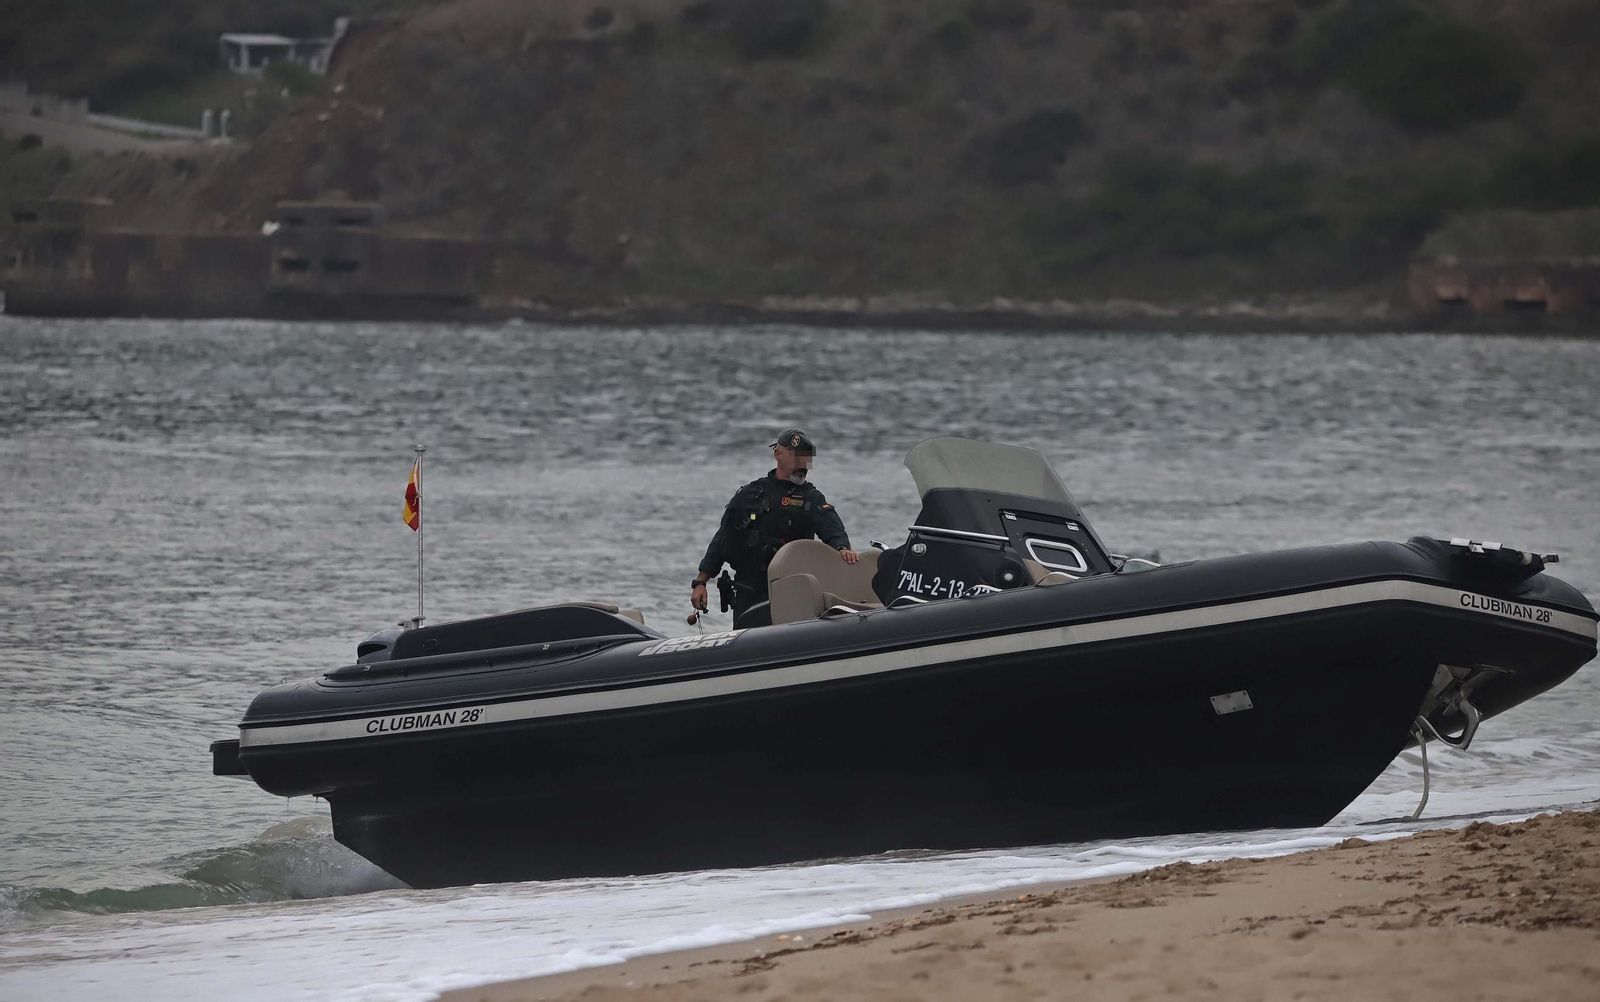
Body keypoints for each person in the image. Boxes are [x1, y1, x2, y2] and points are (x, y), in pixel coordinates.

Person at [692, 429, 858, 628]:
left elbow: (832, 528)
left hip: (790, 592)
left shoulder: (810, 498)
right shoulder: (749, 494)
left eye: (805, 457)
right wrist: (700, 582)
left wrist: (842, 548)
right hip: (749, 591)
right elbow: (722, 541)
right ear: (778, 455)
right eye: (797, 456)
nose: (802, 463)